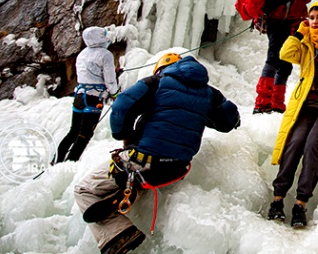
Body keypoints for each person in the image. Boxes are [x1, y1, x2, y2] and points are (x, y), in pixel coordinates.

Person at [74, 53, 240, 254]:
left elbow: (121, 105)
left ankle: (117, 232)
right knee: (139, 165)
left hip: (147, 161)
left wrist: (123, 135)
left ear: (162, 69)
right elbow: (229, 121)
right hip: (177, 167)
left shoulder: (157, 83)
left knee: (84, 190)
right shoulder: (210, 94)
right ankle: (130, 191)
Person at [266, 1, 318, 228]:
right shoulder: (305, 44)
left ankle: (301, 204)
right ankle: (278, 199)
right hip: (304, 104)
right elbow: (286, 53)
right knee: (293, 143)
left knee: (314, 145)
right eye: (311, 17)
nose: (314, 21)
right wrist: (299, 33)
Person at [253, 0, 315, 114]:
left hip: (271, 19)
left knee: (276, 56)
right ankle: (268, 102)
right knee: (282, 59)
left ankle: (271, 102)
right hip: (289, 20)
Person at [56, 26, 120, 163]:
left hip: (79, 95)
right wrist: (115, 94)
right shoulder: (105, 54)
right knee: (85, 134)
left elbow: (89, 74)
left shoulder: (82, 54)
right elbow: (109, 79)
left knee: (73, 132)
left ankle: (57, 160)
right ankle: (69, 163)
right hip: (94, 98)